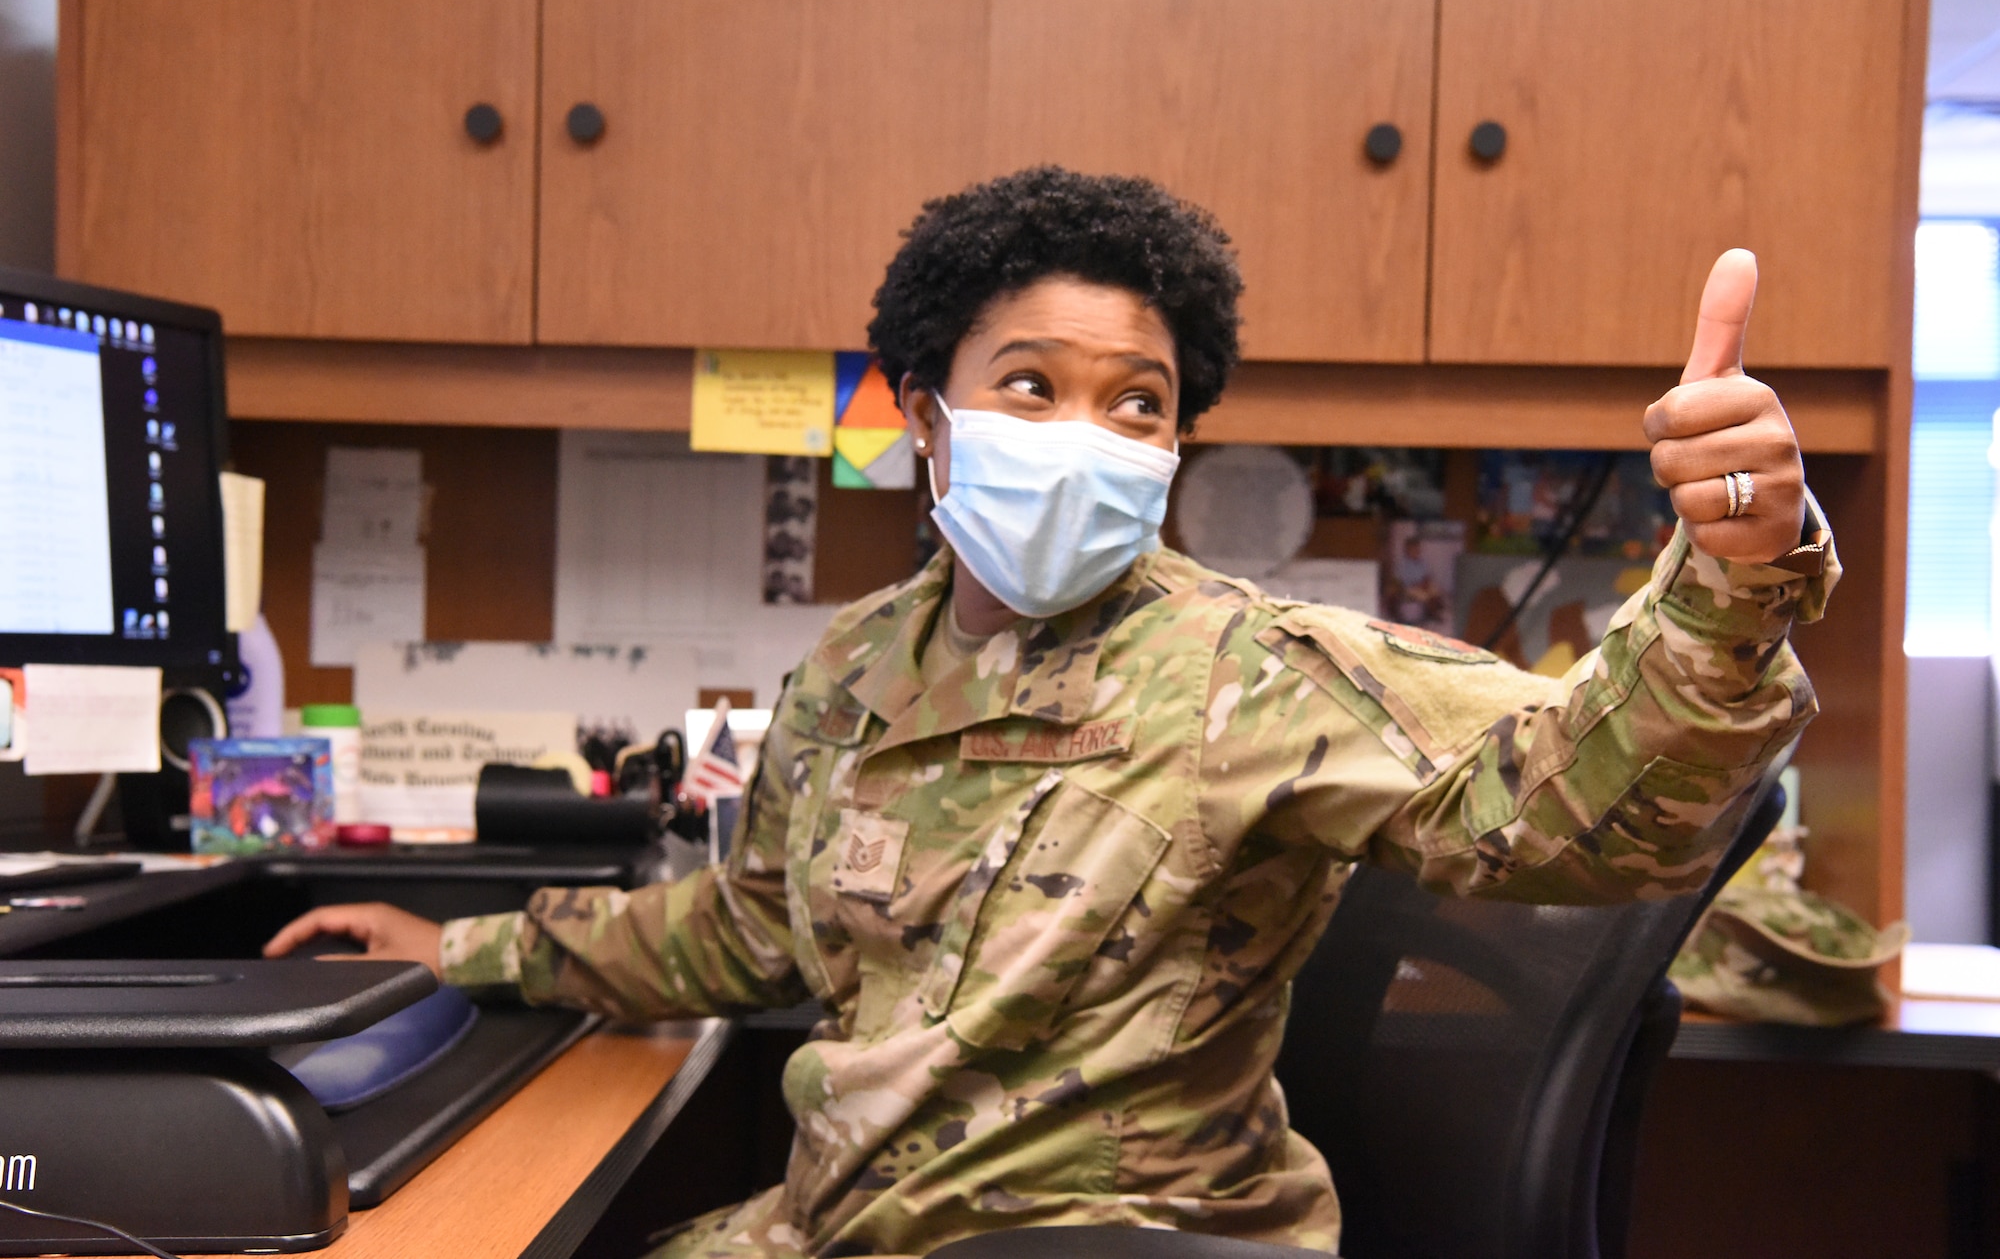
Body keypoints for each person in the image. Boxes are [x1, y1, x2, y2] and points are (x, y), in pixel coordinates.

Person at [266, 167, 1836, 1257]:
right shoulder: (858, 670)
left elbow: (1583, 809)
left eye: (1136, 402)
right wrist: (459, 953)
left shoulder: (1249, 668)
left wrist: (1738, 565)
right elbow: (747, 934)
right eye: (1030, 385)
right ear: (925, 416)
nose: (1085, 435)